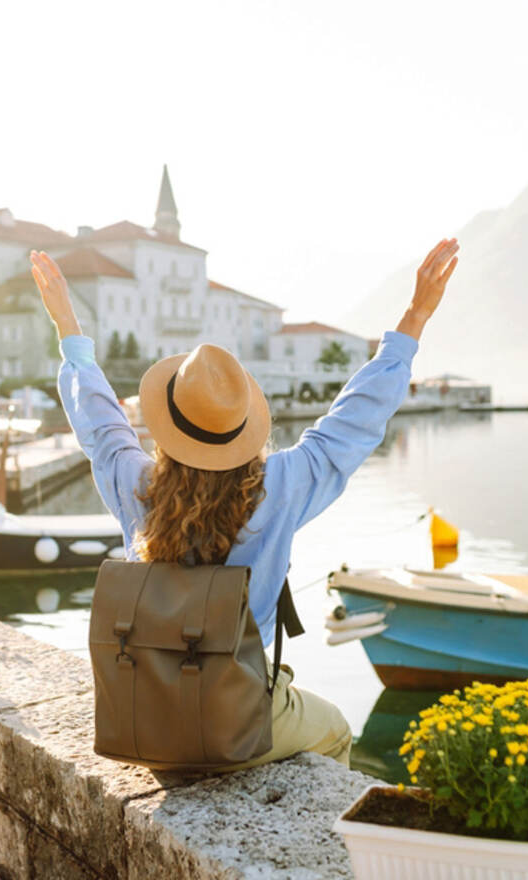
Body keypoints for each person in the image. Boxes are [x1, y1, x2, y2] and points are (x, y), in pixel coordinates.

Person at [31, 238, 459, 769]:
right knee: (337, 732)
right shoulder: (279, 486)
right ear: (242, 428)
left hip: (148, 724)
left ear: (169, 424)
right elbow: (353, 423)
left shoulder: (134, 482)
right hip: (234, 724)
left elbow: (100, 422)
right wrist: (413, 318)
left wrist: (68, 328)